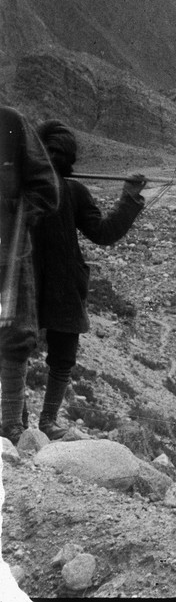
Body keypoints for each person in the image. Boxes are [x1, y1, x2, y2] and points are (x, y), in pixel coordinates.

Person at [32, 120, 147, 440]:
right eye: (52, 151)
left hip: (57, 284)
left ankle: (42, 422)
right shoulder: (29, 188)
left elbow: (102, 232)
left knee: (57, 355)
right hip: (37, 281)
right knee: (23, 349)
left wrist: (128, 199)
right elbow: (104, 234)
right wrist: (129, 197)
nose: (56, 158)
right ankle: (26, 419)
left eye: (59, 153)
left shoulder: (67, 191)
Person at [0, 106, 60, 444]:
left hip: (8, 252)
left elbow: (46, 189)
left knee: (13, 336)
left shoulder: (11, 124)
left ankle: (10, 424)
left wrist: (15, 213)